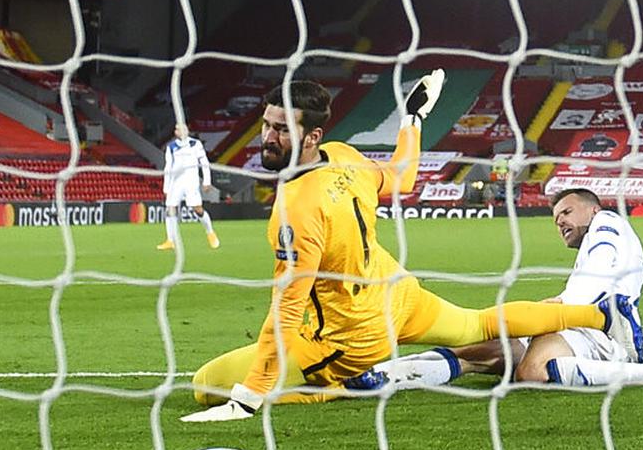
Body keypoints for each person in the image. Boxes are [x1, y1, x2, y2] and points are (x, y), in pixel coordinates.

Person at [180, 73, 614, 422]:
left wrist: (251, 395)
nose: (266, 137)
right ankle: (601, 314)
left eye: (280, 129)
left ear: (311, 136)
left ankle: (342, 385)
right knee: (478, 325)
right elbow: (403, 177)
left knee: (206, 384)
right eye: (267, 124)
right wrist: (413, 120)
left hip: (352, 337)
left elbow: (288, 309)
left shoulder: (294, 208)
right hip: (398, 295)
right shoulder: (343, 154)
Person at [346, 188, 643, 390]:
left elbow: (596, 277)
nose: (559, 221)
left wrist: (556, 309)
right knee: (481, 351)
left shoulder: (607, 224)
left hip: (607, 333)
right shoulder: (594, 238)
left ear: (592, 210)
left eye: (566, 212)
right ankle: (379, 375)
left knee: (532, 371)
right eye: (555, 217)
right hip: (577, 326)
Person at [157, 122, 219, 251]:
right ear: (176, 132)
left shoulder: (195, 144)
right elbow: (168, 167)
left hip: (191, 182)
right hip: (176, 183)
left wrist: (207, 181)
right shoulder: (171, 147)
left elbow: (204, 163)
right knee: (170, 209)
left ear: (187, 130)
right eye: (177, 129)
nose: (179, 131)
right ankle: (170, 240)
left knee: (198, 209)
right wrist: (166, 187)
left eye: (182, 128)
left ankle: (210, 232)